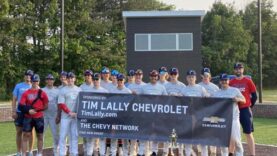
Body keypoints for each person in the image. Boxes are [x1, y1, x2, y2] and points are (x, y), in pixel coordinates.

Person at [213, 73, 245, 156]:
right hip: (222, 120)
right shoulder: (216, 93)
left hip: (234, 118)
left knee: (237, 140)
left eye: (225, 80)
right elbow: (211, 105)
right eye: (222, 80)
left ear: (228, 80)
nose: (224, 82)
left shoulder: (235, 90)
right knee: (223, 143)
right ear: (220, 81)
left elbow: (244, 100)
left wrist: (237, 99)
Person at [229, 63, 257, 156]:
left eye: (240, 68)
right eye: (236, 69)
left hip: (245, 110)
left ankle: (252, 154)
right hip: (234, 110)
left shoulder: (248, 81)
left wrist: (249, 105)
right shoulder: (231, 82)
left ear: (243, 70)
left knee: (248, 133)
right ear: (234, 70)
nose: (238, 70)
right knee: (232, 133)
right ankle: (231, 153)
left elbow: (254, 96)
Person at [19, 74, 49, 156]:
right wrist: (29, 111)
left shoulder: (43, 93)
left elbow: (46, 105)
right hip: (28, 118)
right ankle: (23, 154)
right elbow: (21, 106)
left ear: (39, 82)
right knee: (25, 135)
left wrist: (37, 110)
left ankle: (39, 153)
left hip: (39, 117)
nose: (35, 82)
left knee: (40, 136)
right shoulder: (26, 93)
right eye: (33, 81)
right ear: (31, 81)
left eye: (37, 81)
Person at [181, 70, 209, 156]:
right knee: (188, 138)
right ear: (186, 78)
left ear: (195, 78)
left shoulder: (200, 88)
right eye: (189, 77)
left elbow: (208, 97)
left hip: (200, 117)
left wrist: (206, 96)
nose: (191, 78)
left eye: (192, 77)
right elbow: (179, 100)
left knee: (203, 140)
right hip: (188, 117)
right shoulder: (184, 89)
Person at [141, 70, 168, 156]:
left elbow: (167, 100)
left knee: (156, 133)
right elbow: (139, 99)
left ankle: (154, 151)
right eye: (152, 76)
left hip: (157, 114)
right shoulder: (144, 87)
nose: (154, 78)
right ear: (150, 77)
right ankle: (143, 151)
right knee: (145, 133)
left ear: (157, 77)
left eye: (155, 76)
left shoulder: (162, 87)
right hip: (147, 114)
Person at [12, 69, 34, 156]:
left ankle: (30, 151)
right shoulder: (18, 86)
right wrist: (13, 111)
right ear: (24, 76)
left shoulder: (35, 86)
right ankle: (19, 152)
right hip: (19, 112)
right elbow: (14, 99)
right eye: (26, 75)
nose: (28, 76)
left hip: (31, 113)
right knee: (19, 132)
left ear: (32, 77)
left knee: (31, 132)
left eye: (30, 75)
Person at [58, 72, 81, 156]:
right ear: (67, 79)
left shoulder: (79, 90)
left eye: (72, 78)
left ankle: (74, 153)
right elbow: (61, 104)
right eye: (69, 78)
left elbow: (82, 102)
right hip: (65, 117)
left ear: (74, 79)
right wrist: (69, 112)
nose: (70, 79)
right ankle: (61, 153)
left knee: (74, 136)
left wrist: (77, 113)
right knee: (63, 136)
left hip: (75, 117)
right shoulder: (63, 90)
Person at [164, 68, 186, 156]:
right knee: (169, 132)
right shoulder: (165, 85)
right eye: (172, 74)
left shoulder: (182, 86)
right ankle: (169, 151)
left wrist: (178, 96)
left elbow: (186, 99)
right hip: (168, 112)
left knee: (179, 132)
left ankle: (179, 151)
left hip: (179, 112)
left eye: (175, 74)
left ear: (178, 75)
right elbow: (161, 97)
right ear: (169, 75)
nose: (173, 76)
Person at [198, 67, 219, 155]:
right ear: (201, 76)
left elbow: (219, 100)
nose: (206, 76)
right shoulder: (198, 86)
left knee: (212, 133)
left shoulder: (215, 87)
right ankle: (202, 152)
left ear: (210, 76)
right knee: (202, 133)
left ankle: (213, 152)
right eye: (204, 75)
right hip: (201, 113)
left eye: (207, 75)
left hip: (213, 113)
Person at [109, 74, 132, 156]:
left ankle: (126, 153)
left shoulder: (128, 91)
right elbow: (109, 104)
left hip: (124, 118)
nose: (120, 81)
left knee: (125, 137)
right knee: (114, 136)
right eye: (119, 80)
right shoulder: (112, 91)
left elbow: (130, 106)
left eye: (121, 80)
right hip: (115, 117)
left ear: (124, 80)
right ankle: (113, 152)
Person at [90, 73, 109, 155]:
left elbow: (108, 106)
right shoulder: (88, 91)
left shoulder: (105, 91)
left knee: (102, 138)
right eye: (94, 79)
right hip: (92, 117)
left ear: (100, 80)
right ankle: (92, 153)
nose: (95, 81)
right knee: (91, 138)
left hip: (101, 117)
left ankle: (102, 153)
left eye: (97, 79)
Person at [42, 74, 59, 156]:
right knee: (41, 134)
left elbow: (60, 104)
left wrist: (58, 115)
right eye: (48, 79)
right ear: (46, 80)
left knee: (55, 135)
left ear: (53, 81)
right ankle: (40, 151)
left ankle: (56, 151)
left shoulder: (57, 91)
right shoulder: (42, 90)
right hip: (43, 116)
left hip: (54, 116)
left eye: (51, 79)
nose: (49, 80)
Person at [80, 70, 94, 156]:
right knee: (84, 135)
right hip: (84, 112)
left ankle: (89, 153)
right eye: (86, 75)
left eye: (89, 75)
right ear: (84, 76)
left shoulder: (95, 85)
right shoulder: (81, 87)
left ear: (91, 76)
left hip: (93, 113)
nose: (88, 76)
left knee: (91, 134)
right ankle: (85, 150)